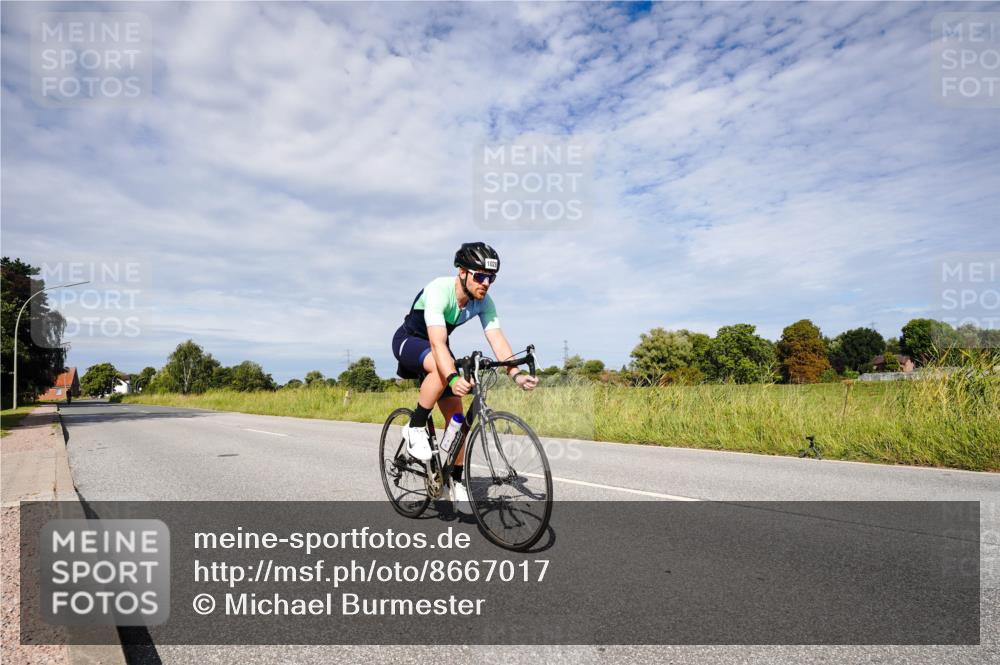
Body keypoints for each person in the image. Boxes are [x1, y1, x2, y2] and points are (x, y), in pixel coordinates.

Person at [391, 242, 538, 509]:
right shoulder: (439, 289)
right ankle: (414, 426)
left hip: (438, 347)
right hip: (410, 341)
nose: (486, 283)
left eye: (491, 278)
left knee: (458, 422)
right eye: (480, 276)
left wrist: (514, 373)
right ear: (462, 272)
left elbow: (497, 339)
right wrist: (453, 378)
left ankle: (455, 482)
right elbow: (437, 344)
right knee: (441, 365)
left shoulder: (484, 302)